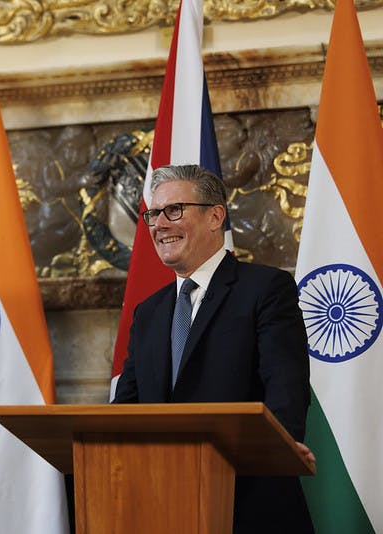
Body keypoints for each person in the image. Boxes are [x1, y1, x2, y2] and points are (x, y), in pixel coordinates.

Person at [113, 164, 315, 533]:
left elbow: (286, 387)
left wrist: (279, 446)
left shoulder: (266, 289)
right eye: (153, 215)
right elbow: (125, 407)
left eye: (174, 211)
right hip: (160, 505)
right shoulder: (149, 312)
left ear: (215, 216)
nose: (159, 224)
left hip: (249, 502)